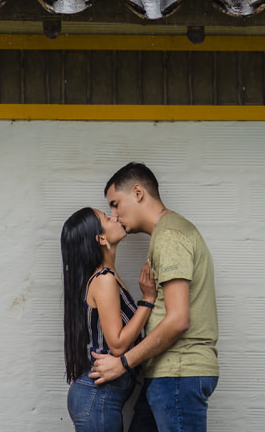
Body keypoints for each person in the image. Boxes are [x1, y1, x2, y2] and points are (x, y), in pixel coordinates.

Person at [90, 163, 219, 432]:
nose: (115, 215)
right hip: (165, 374)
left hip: (178, 373)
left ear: (138, 193)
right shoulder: (166, 234)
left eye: (116, 204)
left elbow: (178, 320)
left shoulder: (170, 235)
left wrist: (122, 364)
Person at [61, 206, 158, 432]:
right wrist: (148, 299)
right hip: (97, 397)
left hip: (99, 398)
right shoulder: (103, 279)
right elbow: (117, 344)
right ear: (101, 238)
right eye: (107, 217)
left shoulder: (108, 275)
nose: (115, 215)